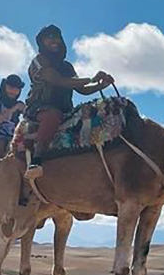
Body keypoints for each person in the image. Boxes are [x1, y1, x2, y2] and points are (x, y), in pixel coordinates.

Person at [24, 24, 114, 178]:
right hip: (40, 108)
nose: (53, 40)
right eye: (48, 37)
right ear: (41, 43)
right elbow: (59, 80)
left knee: (93, 114)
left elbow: (82, 89)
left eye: (56, 36)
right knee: (53, 115)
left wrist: (101, 85)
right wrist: (92, 78)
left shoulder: (67, 66)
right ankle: (36, 160)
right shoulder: (39, 61)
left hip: (67, 110)